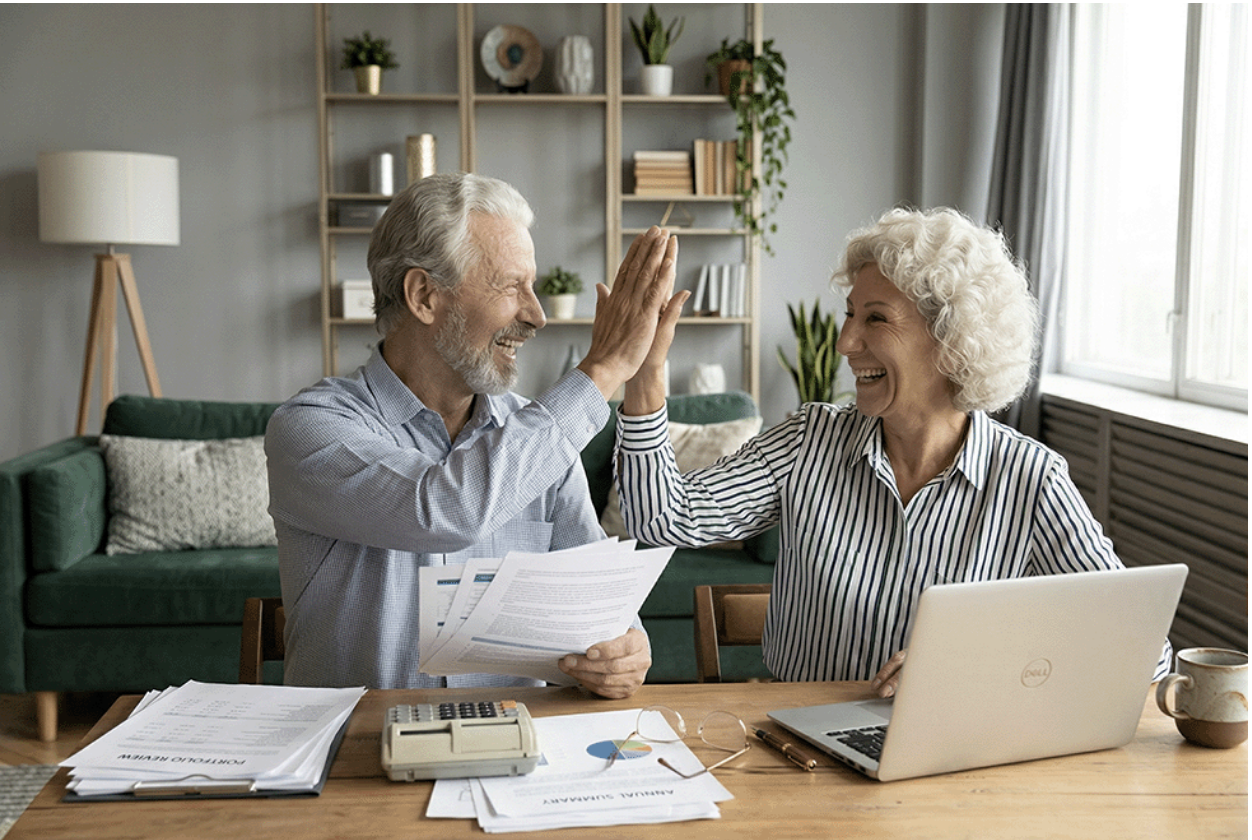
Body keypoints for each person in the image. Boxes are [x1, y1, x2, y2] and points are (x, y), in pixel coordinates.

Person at [615, 206, 1171, 696]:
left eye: (875, 318)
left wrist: (986, 668)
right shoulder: (809, 441)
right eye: (849, 314)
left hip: (952, 755)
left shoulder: (1031, 480)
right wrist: (645, 375)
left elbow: (1142, 653)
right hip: (801, 745)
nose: (845, 343)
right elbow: (660, 516)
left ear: (953, 340)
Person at [265, 172, 679, 698]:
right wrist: (602, 370)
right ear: (423, 296)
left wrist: (622, 649)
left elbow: (600, 606)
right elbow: (442, 510)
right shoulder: (310, 428)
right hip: (356, 757)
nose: (537, 315)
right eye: (512, 286)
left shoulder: (538, 434)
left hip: (518, 752)